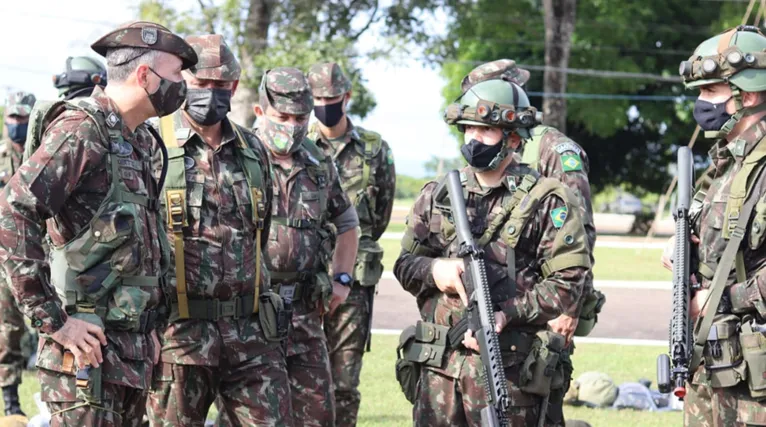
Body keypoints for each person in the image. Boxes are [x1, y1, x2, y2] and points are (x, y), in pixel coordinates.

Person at [0, 20, 197, 425]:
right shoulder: (81, 130)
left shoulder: (137, 138)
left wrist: (151, 331)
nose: (183, 85)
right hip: (83, 356)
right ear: (145, 75)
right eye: (177, 74)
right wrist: (53, 321)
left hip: (129, 352)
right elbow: (13, 210)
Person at [394, 77, 590, 426]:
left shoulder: (548, 199)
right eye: (469, 128)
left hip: (511, 372)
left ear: (513, 137)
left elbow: (568, 283)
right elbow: (405, 265)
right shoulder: (437, 194)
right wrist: (434, 271)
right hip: (440, 373)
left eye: (485, 130)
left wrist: (506, 313)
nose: (474, 138)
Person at [144, 34, 292, 426]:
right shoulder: (151, 142)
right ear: (183, 81)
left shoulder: (252, 149)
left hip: (251, 333)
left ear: (235, 87)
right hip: (180, 335)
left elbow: (263, 226)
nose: (211, 93)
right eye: (202, 83)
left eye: (220, 85)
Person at [461, 59, 600, 426]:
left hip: (543, 302)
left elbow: (579, 229)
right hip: (497, 304)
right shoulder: (481, 147)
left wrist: (570, 309)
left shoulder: (554, 148)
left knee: (537, 399)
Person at [660, 25, 766, 427]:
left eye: (711, 92)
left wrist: (721, 299)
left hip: (755, 386)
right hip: (715, 364)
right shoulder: (727, 162)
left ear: (749, 94)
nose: (701, 104)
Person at [254, 67, 359, 426]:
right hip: (249, 317)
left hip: (304, 313)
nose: (291, 125)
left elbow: (347, 222)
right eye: (282, 116)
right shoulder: (240, 158)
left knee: (318, 414)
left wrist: (342, 279)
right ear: (260, 112)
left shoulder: (318, 163)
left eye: (300, 118)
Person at [306, 62, 396, 427]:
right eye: (318, 98)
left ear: (347, 97)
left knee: (344, 382)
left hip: (354, 285)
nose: (326, 104)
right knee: (302, 377)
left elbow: (381, 215)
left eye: (332, 97)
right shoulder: (300, 145)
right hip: (305, 278)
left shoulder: (375, 150)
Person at [0, 91, 36, 419]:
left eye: (23, 120)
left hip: (41, 253)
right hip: (4, 258)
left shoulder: (45, 152)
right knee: (9, 329)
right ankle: (11, 401)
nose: (17, 125)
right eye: (12, 118)